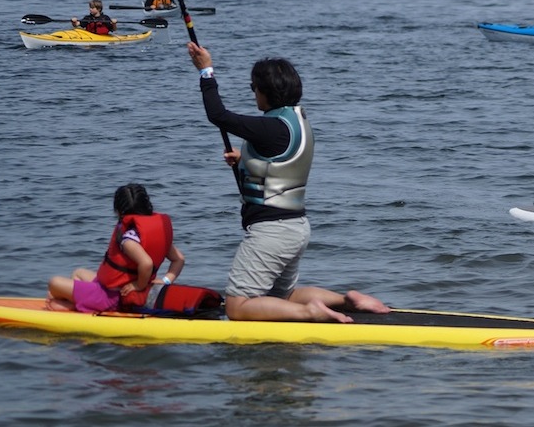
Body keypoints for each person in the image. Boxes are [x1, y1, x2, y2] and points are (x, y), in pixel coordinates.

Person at [186, 42, 391, 323]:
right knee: (281, 299)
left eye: (253, 88)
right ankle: (347, 301)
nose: (253, 93)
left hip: (272, 232)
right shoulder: (297, 120)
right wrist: (245, 159)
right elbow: (282, 161)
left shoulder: (269, 126)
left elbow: (218, 116)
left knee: (238, 306)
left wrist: (206, 71)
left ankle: (312, 311)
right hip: (296, 227)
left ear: (265, 92)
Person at [48, 184, 186, 312]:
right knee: (78, 273)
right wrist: (165, 281)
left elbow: (147, 263)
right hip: (112, 290)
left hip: (113, 298)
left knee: (54, 284)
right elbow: (179, 259)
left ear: (119, 211)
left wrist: (139, 285)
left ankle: (79, 306)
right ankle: (79, 303)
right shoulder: (153, 234)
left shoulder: (128, 240)